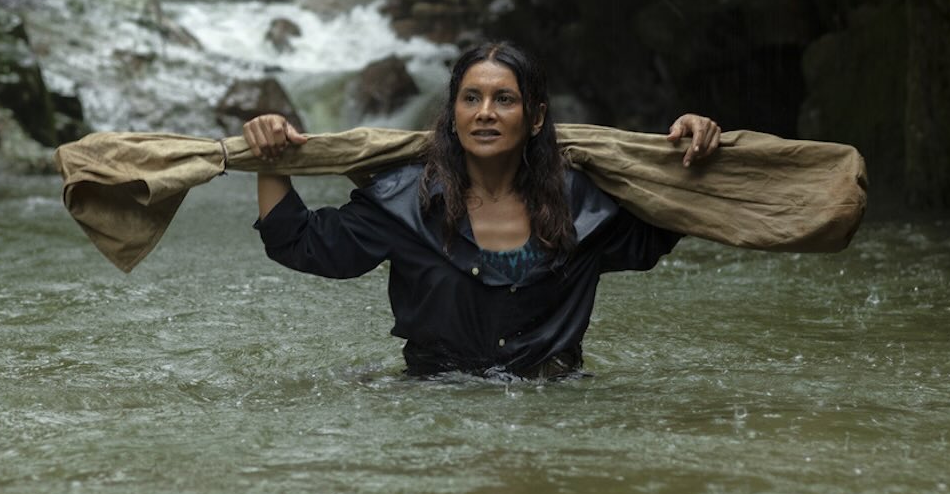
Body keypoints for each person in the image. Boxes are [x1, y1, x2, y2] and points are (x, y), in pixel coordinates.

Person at [244, 42, 721, 379]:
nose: (485, 112)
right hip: (437, 411)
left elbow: (668, 218)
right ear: (453, 114)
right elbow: (298, 241)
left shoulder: (584, 205)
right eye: (471, 98)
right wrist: (271, 157)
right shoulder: (405, 201)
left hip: (557, 412)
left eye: (504, 99)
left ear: (536, 117)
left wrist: (690, 148)